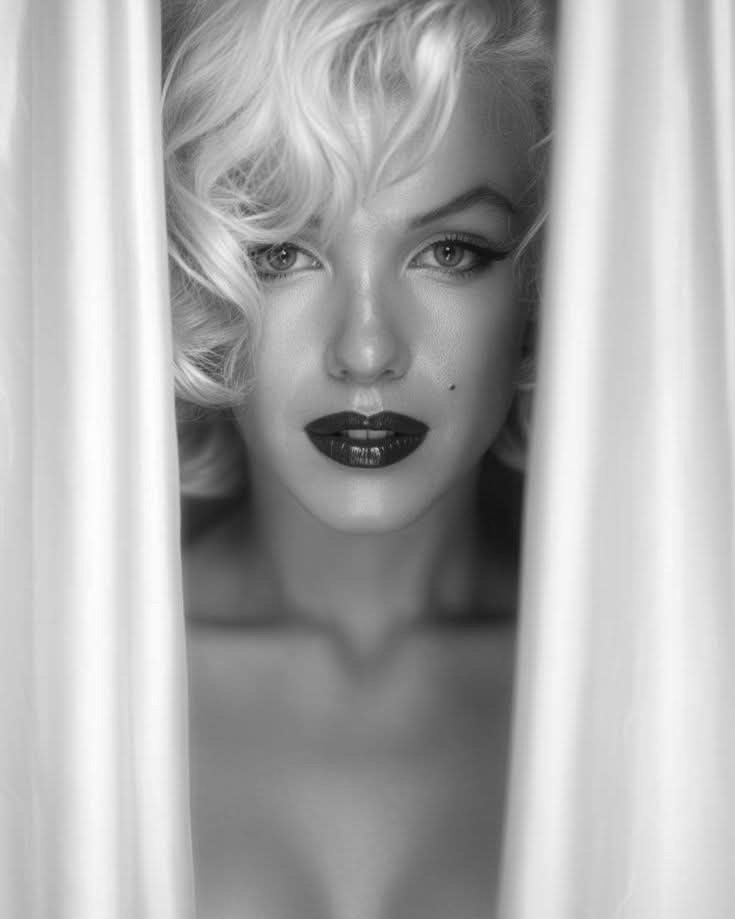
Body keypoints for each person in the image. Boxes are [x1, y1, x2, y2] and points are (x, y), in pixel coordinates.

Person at [162, 0, 552, 915]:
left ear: (540, 285)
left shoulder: (655, 682)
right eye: (281, 252)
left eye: (449, 250)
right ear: (193, 276)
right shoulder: (65, 676)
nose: (366, 349)